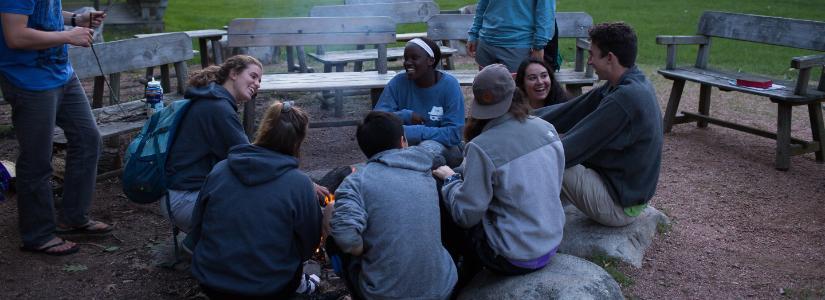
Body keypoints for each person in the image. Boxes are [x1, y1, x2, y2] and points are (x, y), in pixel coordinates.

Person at [433, 64, 565, 289]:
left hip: (513, 255)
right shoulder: (547, 129)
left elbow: (466, 215)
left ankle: (456, 278)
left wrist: (449, 181)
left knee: (442, 196)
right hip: (551, 242)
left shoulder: (481, 147)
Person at [1, 0, 110, 256]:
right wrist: (68, 36)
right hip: (28, 79)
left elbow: (43, 14)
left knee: (88, 140)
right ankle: (37, 235)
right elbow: (15, 36)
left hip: (62, 73)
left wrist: (76, 20)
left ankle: (73, 217)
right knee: (37, 159)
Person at [185, 101, 322, 298]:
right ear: (298, 140)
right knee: (308, 268)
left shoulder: (220, 170)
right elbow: (308, 244)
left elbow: (196, 225)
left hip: (211, 282)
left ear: (263, 129)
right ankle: (303, 287)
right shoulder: (300, 184)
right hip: (271, 287)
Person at [533, 22, 663, 227]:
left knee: (548, 156)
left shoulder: (624, 99)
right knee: (547, 142)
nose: (590, 61)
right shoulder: (627, 82)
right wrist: (523, 118)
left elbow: (569, 150)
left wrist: (519, 140)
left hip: (620, 206)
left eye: (592, 54)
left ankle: (531, 221)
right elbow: (569, 111)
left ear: (610, 58)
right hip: (620, 188)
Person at [326, 111, 457, 299]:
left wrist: (362, 250)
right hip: (443, 288)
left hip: (386, 294)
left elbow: (346, 239)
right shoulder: (425, 168)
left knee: (331, 212)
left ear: (365, 150)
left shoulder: (355, 183)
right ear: (403, 141)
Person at [160, 54, 261, 233]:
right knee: (260, 208)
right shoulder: (218, 108)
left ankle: (205, 242)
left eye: (260, 80)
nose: (258, 84)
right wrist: (298, 183)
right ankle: (206, 249)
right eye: (253, 76)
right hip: (186, 199)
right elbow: (249, 160)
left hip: (178, 196)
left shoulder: (213, 99)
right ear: (234, 73)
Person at [374, 37, 465, 166]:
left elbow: (453, 134)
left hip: (444, 148)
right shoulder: (398, 82)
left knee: (426, 148)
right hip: (403, 145)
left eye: (414, 58)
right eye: (406, 58)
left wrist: (413, 132)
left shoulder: (449, 85)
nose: (407, 63)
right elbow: (376, 121)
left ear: (430, 61)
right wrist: (405, 116)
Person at [467, 0, 555, 72]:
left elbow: (546, 11)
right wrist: (473, 33)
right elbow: (483, 4)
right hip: (486, 45)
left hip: (518, 47)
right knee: (486, 91)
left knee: (516, 92)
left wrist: (539, 46)